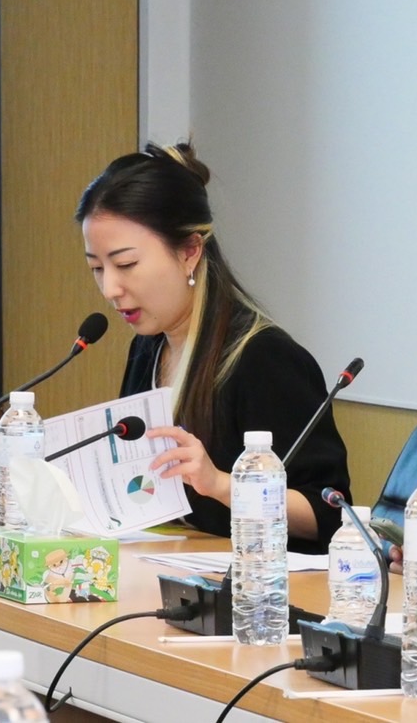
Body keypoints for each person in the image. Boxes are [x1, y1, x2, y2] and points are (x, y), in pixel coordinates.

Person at [77, 141, 351, 552]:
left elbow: (329, 515)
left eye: (126, 264)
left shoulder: (264, 359)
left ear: (190, 251)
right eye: (97, 268)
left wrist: (221, 484)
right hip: (167, 566)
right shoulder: (148, 349)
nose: (110, 289)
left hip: (259, 582)